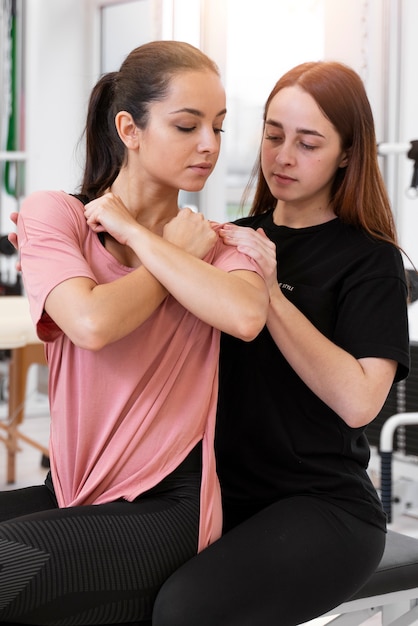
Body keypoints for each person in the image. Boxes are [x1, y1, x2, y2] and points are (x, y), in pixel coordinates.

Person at [0, 40, 268, 625]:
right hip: (74, 490)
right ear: (129, 128)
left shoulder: (219, 243)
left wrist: (147, 240)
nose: (209, 145)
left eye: (219, 128)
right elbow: (90, 321)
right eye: (187, 124)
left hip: (170, 506)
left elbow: (246, 317)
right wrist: (166, 255)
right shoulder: (58, 217)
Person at [152, 61, 410, 625]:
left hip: (322, 507)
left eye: (308, 143)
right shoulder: (232, 237)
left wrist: (270, 294)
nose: (283, 156)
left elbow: (360, 401)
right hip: (218, 492)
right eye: (273, 135)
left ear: (347, 153)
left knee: (185, 611)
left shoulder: (370, 261)